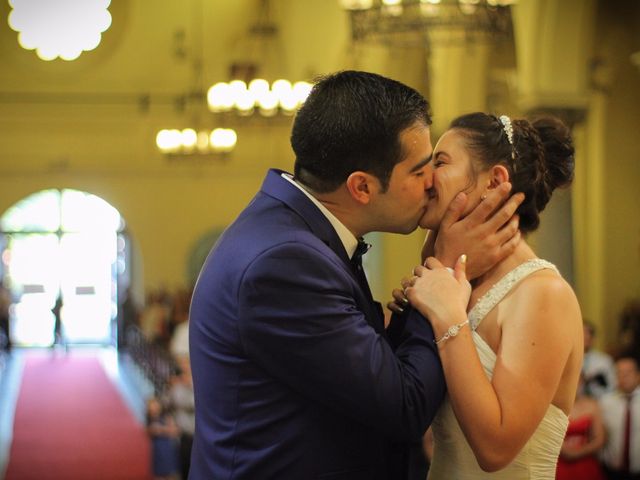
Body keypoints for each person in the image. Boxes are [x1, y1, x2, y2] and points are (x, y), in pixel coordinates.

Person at [188, 71, 523, 479]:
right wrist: (443, 264)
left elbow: (368, 369)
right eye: (419, 171)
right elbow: (405, 405)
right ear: (361, 187)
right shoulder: (285, 263)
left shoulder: (300, 232)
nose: (432, 183)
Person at [402, 112, 583, 478]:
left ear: (495, 180)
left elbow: (495, 448)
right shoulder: (456, 282)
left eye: (441, 161)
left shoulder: (542, 292)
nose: (426, 177)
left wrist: (448, 316)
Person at [556, 373, 607, 480]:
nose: (574, 385)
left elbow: (599, 439)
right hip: (558, 461)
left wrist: (578, 453)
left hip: (586, 460)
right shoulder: (553, 406)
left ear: (583, 382)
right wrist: (564, 451)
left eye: (578, 381)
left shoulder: (592, 405)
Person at [599, 353, 640, 480]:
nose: (624, 377)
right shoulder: (605, 402)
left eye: (628, 372)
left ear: (638, 375)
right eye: (619, 373)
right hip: (611, 471)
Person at [146, 396, 180, 480]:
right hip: (157, 451)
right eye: (151, 406)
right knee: (159, 475)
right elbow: (149, 431)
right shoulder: (149, 419)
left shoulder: (167, 417)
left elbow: (176, 431)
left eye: (155, 405)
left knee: (172, 474)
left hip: (168, 449)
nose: (153, 408)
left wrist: (161, 429)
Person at [583, 320, 617, 398]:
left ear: (593, 338)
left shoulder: (604, 360)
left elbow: (612, 386)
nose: (585, 336)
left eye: (588, 333)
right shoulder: (567, 359)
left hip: (600, 400)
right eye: (582, 333)